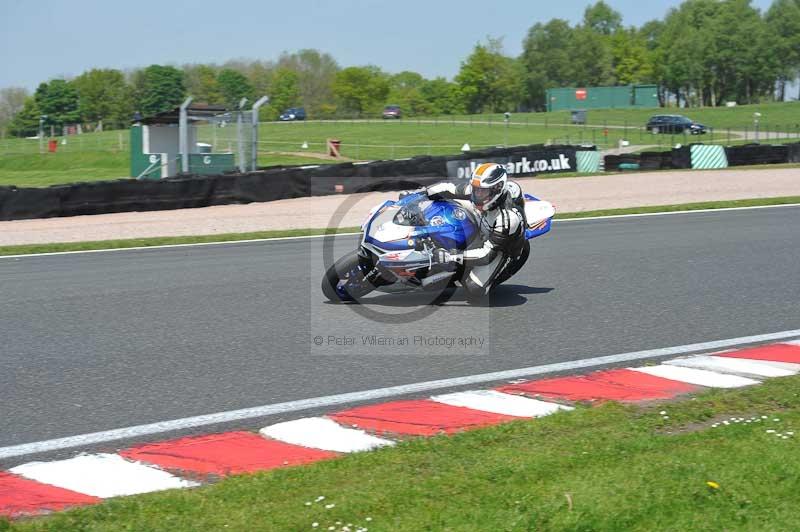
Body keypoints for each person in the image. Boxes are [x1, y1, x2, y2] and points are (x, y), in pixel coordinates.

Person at [422, 163, 530, 301]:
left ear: (497, 189)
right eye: (475, 189)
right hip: (484, 224)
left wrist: (451, 257)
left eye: (482, 191)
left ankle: (465, 275)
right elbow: (449, 188)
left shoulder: (508, 219)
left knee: (474, 289)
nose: (477, 195)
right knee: (445, 202)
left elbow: (487, 255)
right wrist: (421, 193)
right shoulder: (480, 192)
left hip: (503, 249)